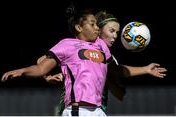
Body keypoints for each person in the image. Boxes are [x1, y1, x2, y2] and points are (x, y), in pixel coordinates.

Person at [36, 11, 167, 115]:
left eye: (117, 32)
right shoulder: (79, 47)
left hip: (97, 111)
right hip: (75, 110)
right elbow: (42, 60)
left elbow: (121, 94)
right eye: (111, 31)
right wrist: (48, 76)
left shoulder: (107, 58)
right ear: (99, 29)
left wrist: (106, 76)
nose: (116, 36)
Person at [1, 9, 113, 116]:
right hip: (78, 110)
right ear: (79, 27)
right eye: (92, 24)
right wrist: (22, 71)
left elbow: (117, 70)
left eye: (97, 25)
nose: (97, 28)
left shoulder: (100, 45)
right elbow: (41, 67)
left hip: (99, 110)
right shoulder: (67, 44)